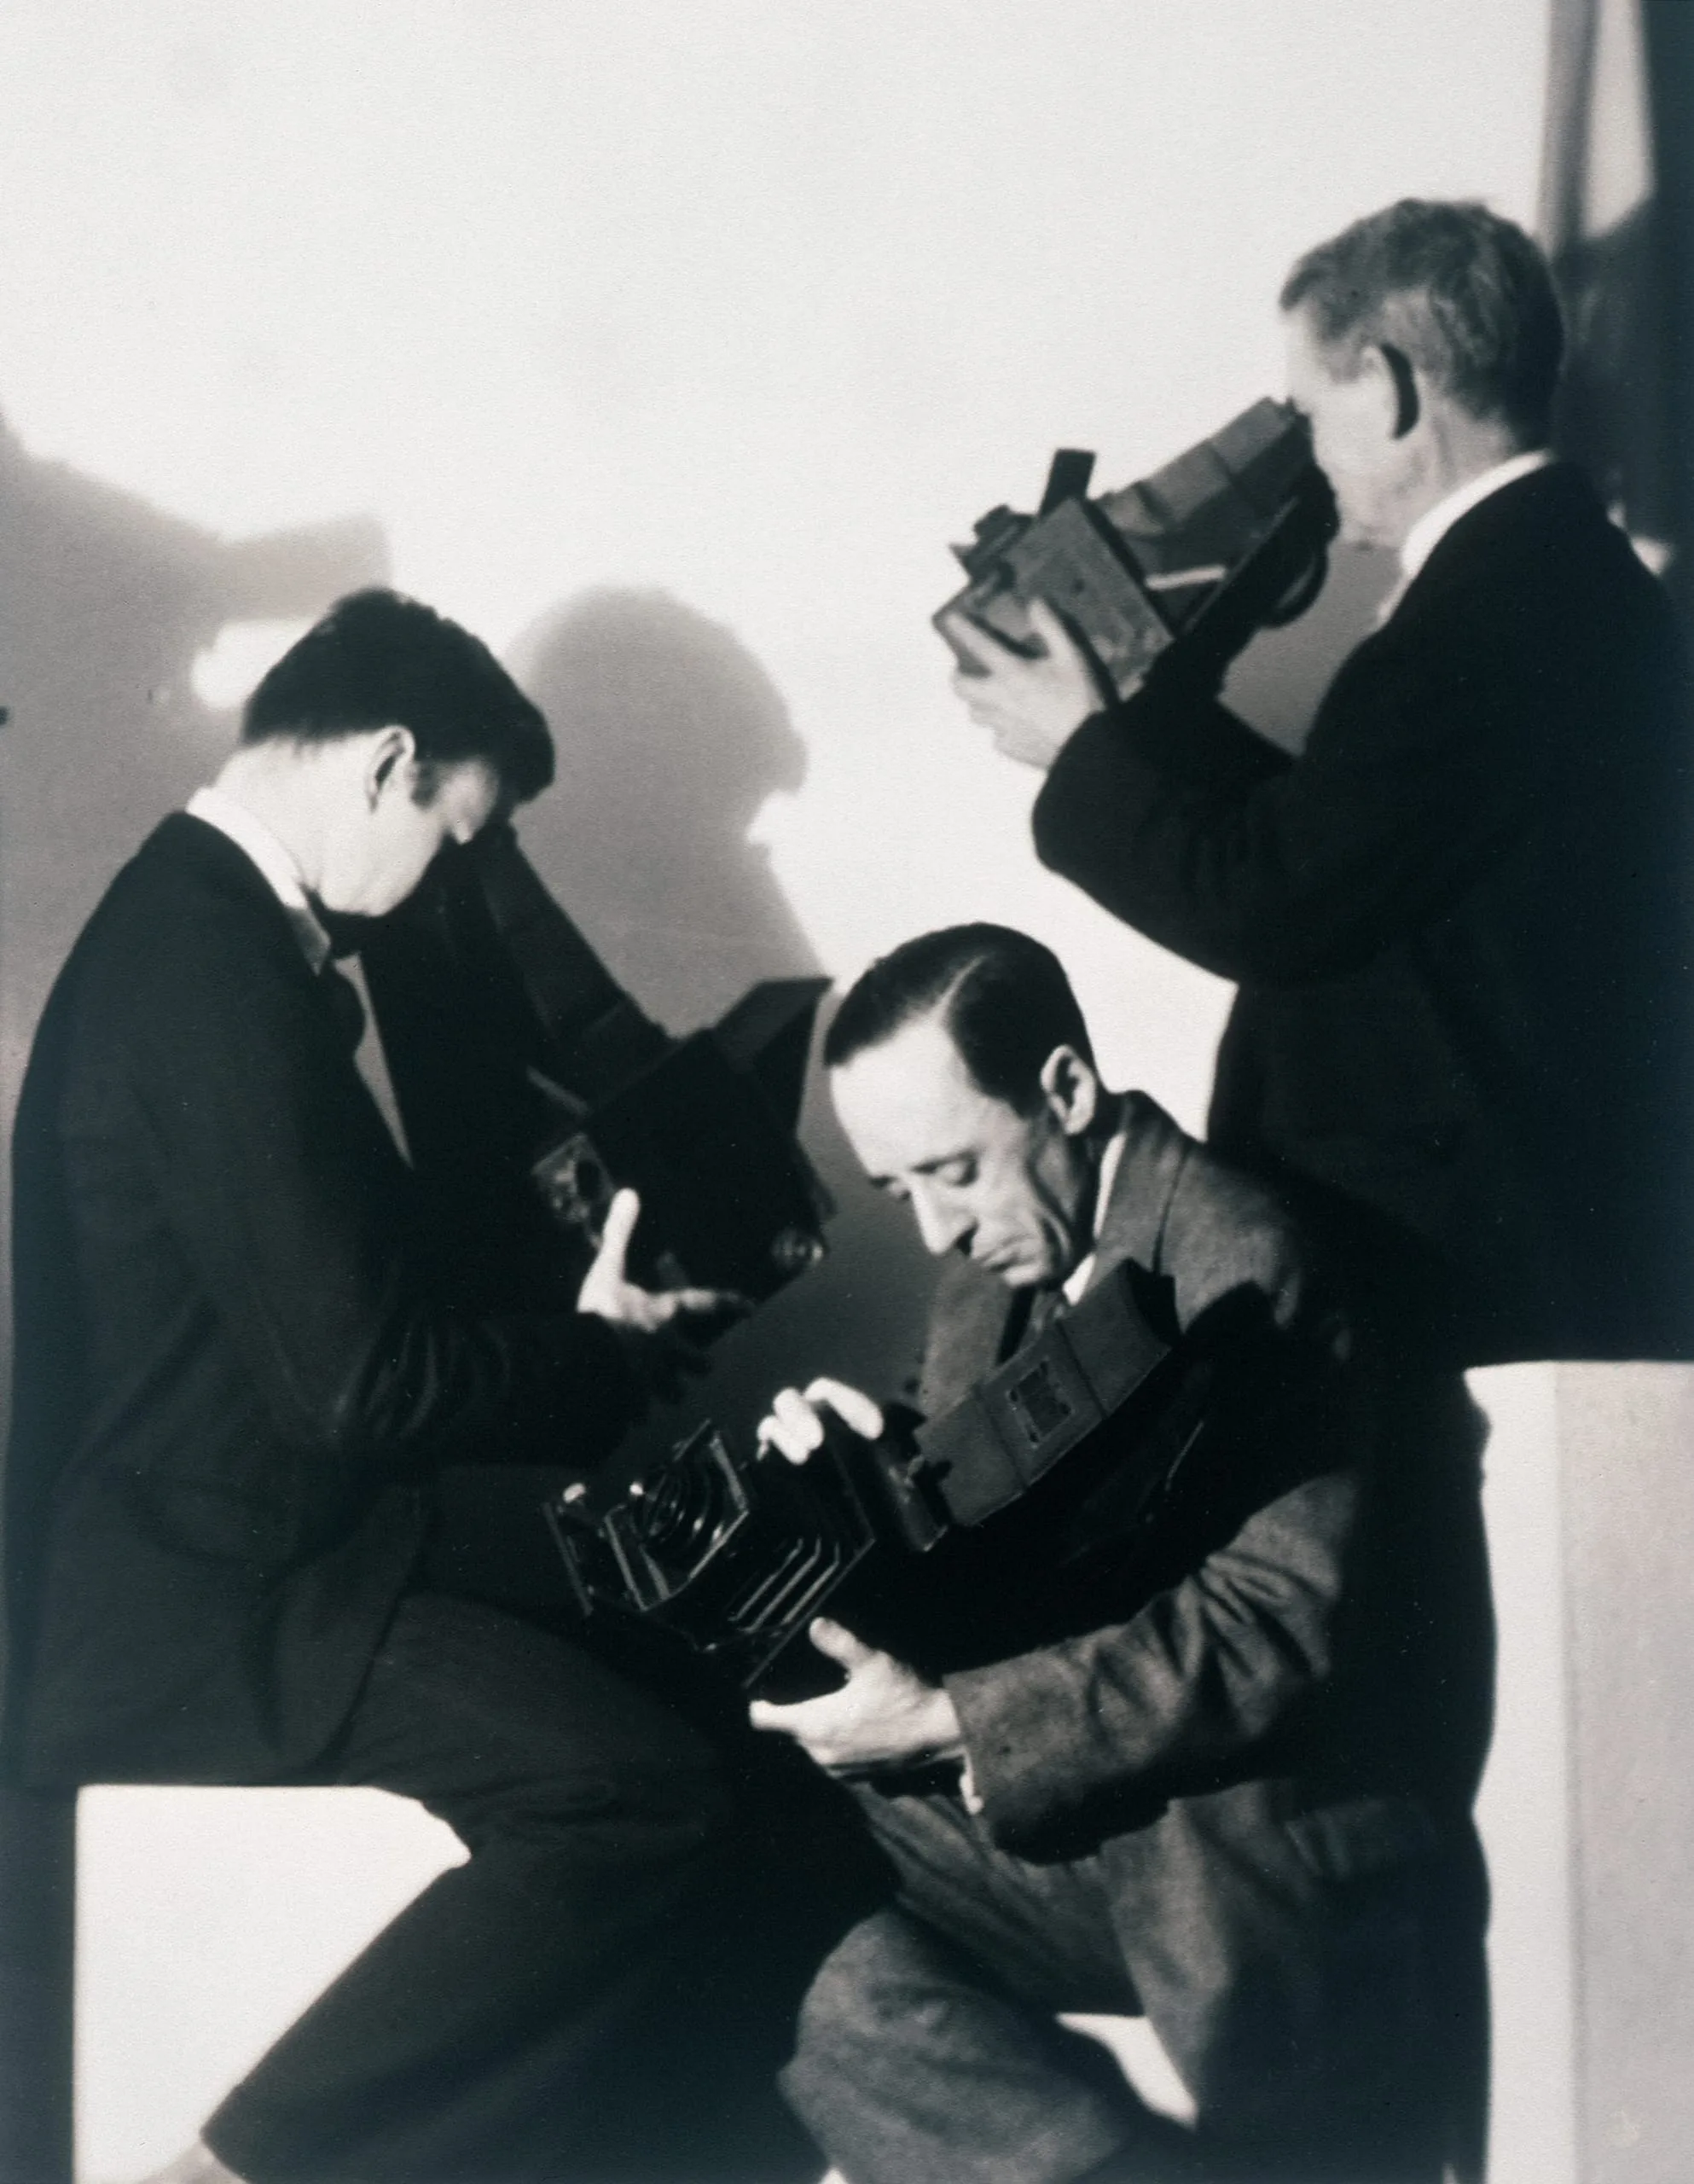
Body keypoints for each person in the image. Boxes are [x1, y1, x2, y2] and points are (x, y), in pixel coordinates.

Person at [2, 590, 875, 2184]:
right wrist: (604, 1351)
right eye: (458, 839)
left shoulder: (203, 929)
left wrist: (590, 1320)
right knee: (644, 1798)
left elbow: (334, 1324)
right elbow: (356, 1386)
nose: (451, 885)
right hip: (216, 1613)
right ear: (389, 762)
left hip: (263, 1556)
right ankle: (236, 2168)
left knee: (709, 1693)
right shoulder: (209, 966)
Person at [751, 923, 1494, 2184]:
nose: (933, 1230)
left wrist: (951, 1724)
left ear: (1066, 1090)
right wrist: (860, 1497)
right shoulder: (992, 1272)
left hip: (1272, 1844)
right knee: (747, 1882)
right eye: (897, 1190)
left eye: (953, 1171)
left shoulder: (1250, 1260)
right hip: (1104, 1819)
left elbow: (1276, 1625)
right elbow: (1003, 1543)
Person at [948, 199, 1694, 1367]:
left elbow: (1276, 902)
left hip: (1478, 1270)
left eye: (1306, 411)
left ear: (1387, 387)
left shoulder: (1489, 610)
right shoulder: (1542, 579)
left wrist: (1084, 751)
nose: (1303, 449)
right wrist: (1132, 724)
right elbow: (1345, 842)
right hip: (1518, 1239)